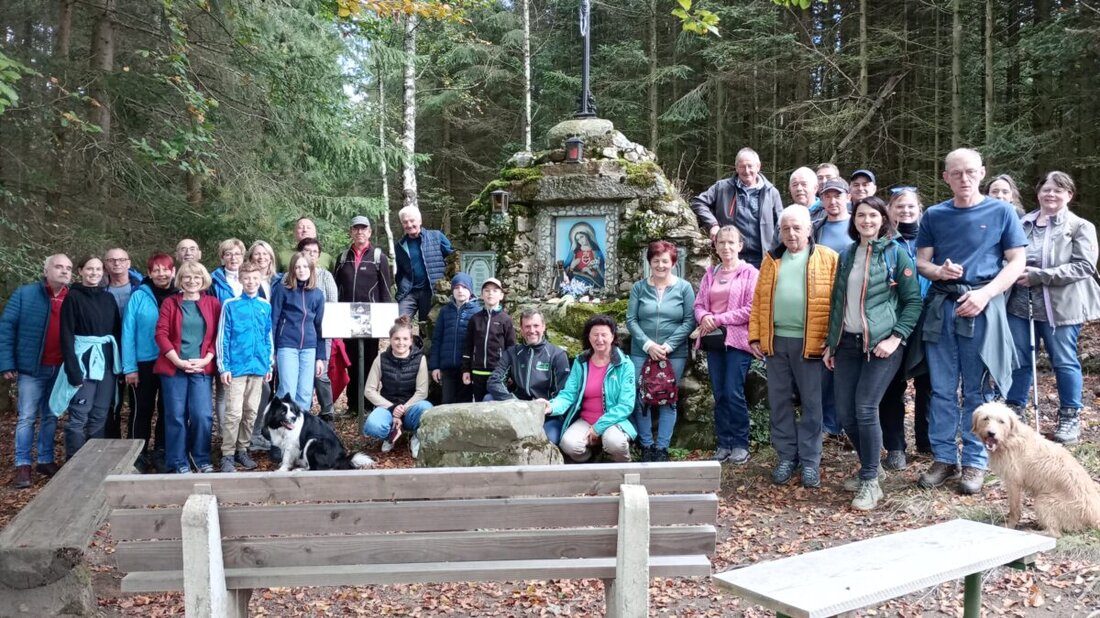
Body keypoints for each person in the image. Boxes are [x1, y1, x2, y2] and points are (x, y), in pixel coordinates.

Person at [915, 148, 1027, 495]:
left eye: (970, 172)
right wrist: (940, 270)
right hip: (943, 307)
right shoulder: (934, 214)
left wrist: (985, 295)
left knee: (980, 389)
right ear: (945, 176)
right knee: (943, 388)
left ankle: (976, 462)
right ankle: (945, 459)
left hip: (982, 306)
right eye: (956, 173)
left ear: (982, 173)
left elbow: (1016, 261)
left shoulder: (1002, 211)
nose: (964, 179)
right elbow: (922, 262)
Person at [822, 197, 921, 510]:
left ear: (883, 220)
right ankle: (872, 465)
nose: (866, 221)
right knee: (845, 412)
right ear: (854, 221)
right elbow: (838, 303)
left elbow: (913, 302)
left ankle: (870, 481)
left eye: (873, 216)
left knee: (865, 407)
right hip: (848, 344)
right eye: (861, 215)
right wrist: (831, 342)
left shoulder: (896, 254)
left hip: (882, 345)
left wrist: (896, 338)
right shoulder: (847, 254)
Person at [1004, 171, 1100, 444]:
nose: (1051, 194)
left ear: (1069, 195)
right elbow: (1007, 255)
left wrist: (1040, 276)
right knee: (1020, 360)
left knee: (1064, 360)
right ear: (1038, 193)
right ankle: (1015, 413)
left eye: (1058, 190)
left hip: (1061, 308)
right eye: (1047, 189)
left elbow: (1084, 266)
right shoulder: (1022, 223)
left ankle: (1070, 417)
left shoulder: (1080, 226)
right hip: (1020, 306)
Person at [749, 205, 838, 488]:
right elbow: (759, 301)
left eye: (797, 227)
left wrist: (832, 343)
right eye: (785, 228)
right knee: (779, 402)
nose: (791, 233)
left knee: (813, 405)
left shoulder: (828, 258)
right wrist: (755, 337)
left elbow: (838, 305)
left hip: (811, 343)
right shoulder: (771, 260)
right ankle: (787, 455)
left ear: (809, 229)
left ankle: (810, 460)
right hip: (776, 343)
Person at [0, 255, 72, 488]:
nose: (64, 271)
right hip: (32, 367)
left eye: (68, 268)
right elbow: (6, 327)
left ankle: (45, 459)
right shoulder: (25, 294)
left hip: (60, 368)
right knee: (27, 417)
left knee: (51, 415)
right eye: (59, 266)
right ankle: (23, 464)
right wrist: (7, 362)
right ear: (46, 269)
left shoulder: (72, 297)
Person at [693, 226, 758, 465]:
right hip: (713, 342)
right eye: (722, 243)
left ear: (740, 245)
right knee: (719, 393)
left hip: (738, 342)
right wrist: (704, 317)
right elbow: (699, 304)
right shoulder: (710, 273)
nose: (726, 247)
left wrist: (717, 319)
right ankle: (724, 443)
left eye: (731, 242)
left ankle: (740, 443)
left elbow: (751, 309)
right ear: (716, 246)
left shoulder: (750, 273)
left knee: (733, 391)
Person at [627, 240, 696, 462]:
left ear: (673, 262)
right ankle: (646, 445)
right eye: (656, 260)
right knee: (641, 397)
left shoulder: (684, 288)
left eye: (665, 261)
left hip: (672, 353)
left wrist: (668, 346)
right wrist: (648, 344)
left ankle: (662, 447)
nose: (660, 265)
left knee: (669, 397)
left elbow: (689, 321)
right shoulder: (639, 288)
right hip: (641, 351)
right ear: (650, 262)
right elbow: (631, 319)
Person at [878, 188, 933, 464]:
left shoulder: (932, 238)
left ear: (920, 209)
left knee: (928, 382)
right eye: (899, 206)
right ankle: (895, 447)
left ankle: (926, 441)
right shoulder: (885, 241)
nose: (905, 211)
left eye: (911, 206)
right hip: (894, 319)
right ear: (890, 210)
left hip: (928, 318)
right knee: (892, 384)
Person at [51, 256, 122, 460]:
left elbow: (116, 332)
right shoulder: (73, 297)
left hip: (107, 364)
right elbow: (66, 335)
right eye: (90, 269)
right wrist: (73, 370)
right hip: (84, 362)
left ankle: (95, 459)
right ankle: (74, 460)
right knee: (80, 414)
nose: (94, 273)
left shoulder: (108, 298)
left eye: (98, 270)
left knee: (100, 413)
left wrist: (119, 366)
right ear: (81, 271)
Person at [155, 260, 221, 474]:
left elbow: (217, 337)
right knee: (175, 415)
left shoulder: (213, 303)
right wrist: (178, 361)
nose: (192, 281)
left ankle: (200, 457)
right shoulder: (170, 303)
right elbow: (161, 334)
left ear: (203, 280)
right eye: (187, 277)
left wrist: (206, 359)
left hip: (201, 367)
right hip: (175, 367)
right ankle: (178, 460)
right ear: (180, 280)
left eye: (197, 277)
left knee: (202, 414)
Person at [543, 315, 636, 463]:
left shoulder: (625, 364)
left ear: (612, 337)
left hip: (614, 421)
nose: (599, 339)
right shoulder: (581, 362)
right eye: (595, 335)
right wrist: (552, 406)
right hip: (586, 419)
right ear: (589, 337)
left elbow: (626, 405)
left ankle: (624, 467)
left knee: (614, 442)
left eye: (604, 335)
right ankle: (592, 461)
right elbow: (569, 394)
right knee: (569, 445)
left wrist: (598, 427)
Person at [122, 253, 177, 473]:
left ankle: (161, 451)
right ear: (149, 273)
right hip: (143, 362)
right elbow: (128, 332)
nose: (161, 274)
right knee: (141, 409)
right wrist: (130, 367)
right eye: (156, 270)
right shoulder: (138, 296)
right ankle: (138, 453)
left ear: (173, 272)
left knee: (167, 408)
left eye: (165, 269)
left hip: (171, 361)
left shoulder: (180, 295)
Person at [216, 262, 273, 472]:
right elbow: (223, 336)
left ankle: (243, 449)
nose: (251, 282)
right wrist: (224, 367)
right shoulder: (230, 305)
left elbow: (268, 336)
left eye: (255, 279)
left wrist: (269, 363)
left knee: (251, 411)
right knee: (234, 413)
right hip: (236, 367)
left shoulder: (264, 306)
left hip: (258, 367)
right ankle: (227, 454)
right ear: (240, 280)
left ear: (260, 280)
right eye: (247, 278)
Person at [333, 215, 393, 417]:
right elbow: (336, 290)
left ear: (369, 232)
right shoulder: (342, 258)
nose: (360, 232)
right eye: (356, 229)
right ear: (351, 232)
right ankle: (353, 405)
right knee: (351, 361)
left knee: (369, 360)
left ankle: (368, 405)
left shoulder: (378, 257)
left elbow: (385, 289)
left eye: (363, 229)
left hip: (372, 318)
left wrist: (388, 321)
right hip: (346, 317)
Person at [487, 307, 572, 444]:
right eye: (527, 326)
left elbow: (564, 392)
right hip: (517, 409)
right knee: (488, 398)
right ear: (521, 329)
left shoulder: (557, 355)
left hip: (546, 414)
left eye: (536, 326)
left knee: (549, 440)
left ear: (544, 327)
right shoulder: (512, 353)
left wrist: (548, 408)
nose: (532, 330)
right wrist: (514, 402)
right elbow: (494, 381)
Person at [690, 147, 784, 268]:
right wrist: (713, 224)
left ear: (758, 167)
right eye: (742, 166)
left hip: (763, 260)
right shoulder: (722, 188)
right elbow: (698, 202)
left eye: (750, 166)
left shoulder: (771, 192)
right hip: (731, 258)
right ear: (736, 167)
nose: (747, 170)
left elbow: (781, 225)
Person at [810, 177, 853, 438]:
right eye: (827, 196)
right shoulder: (816, 227)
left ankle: (848, 423)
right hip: (823, 304)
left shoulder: (859, 225)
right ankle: (828, 423)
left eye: (838, 195)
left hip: (854, 304)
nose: (833, 201)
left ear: (848, 197)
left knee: (849, 366)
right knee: (825, 366)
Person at [362, 317, 433, 458]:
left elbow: (422, 391)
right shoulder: (381, 359)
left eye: (405, 339)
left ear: (411, 340)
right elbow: (369, 390)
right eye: (397, 339)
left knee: (426, 409)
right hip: (387, 406)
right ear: (390, 340)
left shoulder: (420, 359)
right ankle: (390, 435)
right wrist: (393, 408)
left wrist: (402, 410)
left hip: (411, 407)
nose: (401, 343)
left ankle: (416, 436)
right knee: (372, 426)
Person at [271, 252, 327, 412]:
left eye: (305, 266)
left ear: (311, 268)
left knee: (305, 392)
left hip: (309, 348)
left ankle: (299, 432)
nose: (301, 270)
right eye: (297, 267)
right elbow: (273, 321)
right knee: (287, 390)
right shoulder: (282, 290)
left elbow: (320, 326)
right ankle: (279, 427)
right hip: (287, 345)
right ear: (292, 270)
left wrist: (320, 357)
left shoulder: (317, 294)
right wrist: (272, 350)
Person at [103, 247, 143, 439]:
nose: (117, 263)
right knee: (111, 404)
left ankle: (137, 448)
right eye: (112, 260)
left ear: (128, 263)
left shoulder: (141, 288)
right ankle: (112, 445)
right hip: (108, 354)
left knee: (138, 404)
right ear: (106, 264)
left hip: (138, 352)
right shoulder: (99, 289)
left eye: (121, 260)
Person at [298, 237, 337, 424]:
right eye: (307, 251)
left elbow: (332, 304)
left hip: (321, 331)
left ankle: (328, 411)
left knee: (320, 373)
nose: (311, 255)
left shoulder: (325, 276)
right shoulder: (293, 275)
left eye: (315, 252)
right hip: (297, 334)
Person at [395, 206, 454, 321]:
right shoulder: (400, 245)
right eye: (405, 222)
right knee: (399, 323)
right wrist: (400, 288)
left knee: (426, 328)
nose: (409, 225)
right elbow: (400, 272)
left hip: (431, 291)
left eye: (412, 220)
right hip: (409, 292)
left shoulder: (436, 236)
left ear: (420, 221)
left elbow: (453, 259)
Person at [429, 273, 481, 404]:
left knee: (465, 404)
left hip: (466, 369)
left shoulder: (477, 312)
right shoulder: (445, 311)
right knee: (447, 402)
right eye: (457, 287)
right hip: (447, 368)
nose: (460, 291)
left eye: (464, 287)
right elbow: (437, 339)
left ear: (470, 290)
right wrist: (435, 366)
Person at [462, 278, 516, 401]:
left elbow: (511, 348)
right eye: (487, 290)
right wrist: (466, 370)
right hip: (477, 373)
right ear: (482, 295)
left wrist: (511, 373)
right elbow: (468, 346)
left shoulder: (506, 320)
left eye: (495, 290)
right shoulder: (475, 319)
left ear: (501, 295)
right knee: (480, 405)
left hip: (498, 374)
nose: (490, 293)